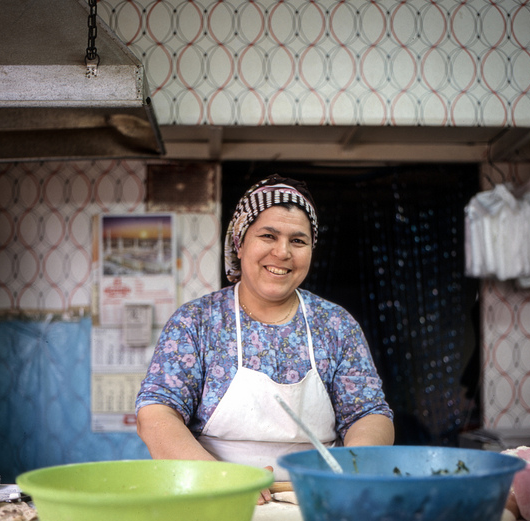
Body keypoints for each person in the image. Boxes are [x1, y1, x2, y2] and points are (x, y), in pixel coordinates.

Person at [136, 174, 394, 500]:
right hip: (214, 499)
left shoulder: (336, 325)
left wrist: (351, 468)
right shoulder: (196, 323)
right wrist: (220, 478)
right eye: (268, 235)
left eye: (298, 241)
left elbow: (368, 414)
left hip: (317, 500)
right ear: (240, 243)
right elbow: (157, 413)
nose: (283, 252)